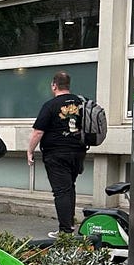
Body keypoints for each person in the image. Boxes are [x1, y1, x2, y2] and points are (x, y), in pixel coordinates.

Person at [27, 71, 86, 236]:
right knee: (69, 188)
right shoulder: (81, 103)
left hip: (56, 154)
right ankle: (69, 223)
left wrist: (30, 151)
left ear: (54, 85)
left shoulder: (50, 105)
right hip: (78, 152)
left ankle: (65, 230)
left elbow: (38, 132)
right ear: (68, 85)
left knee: (61, 191)